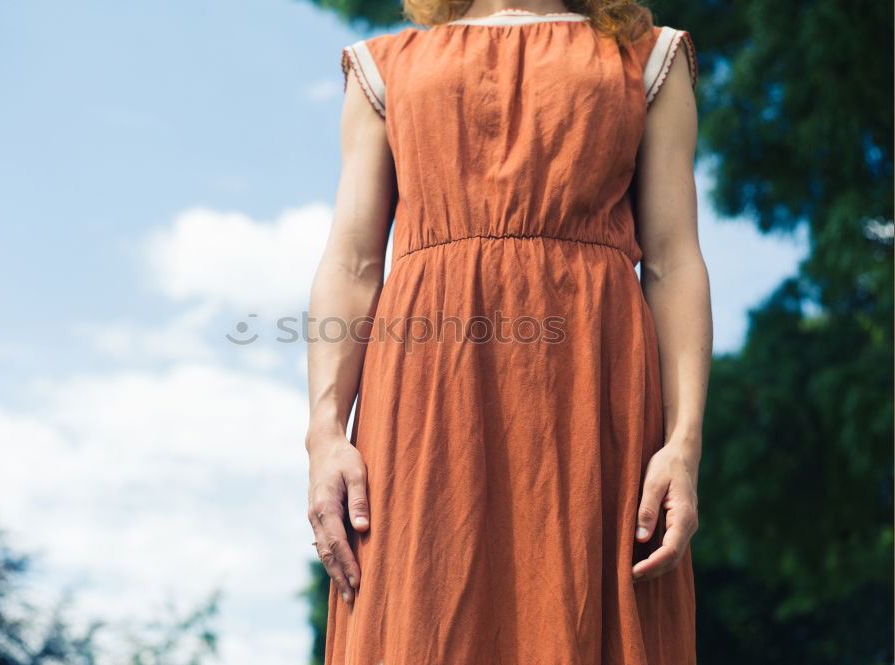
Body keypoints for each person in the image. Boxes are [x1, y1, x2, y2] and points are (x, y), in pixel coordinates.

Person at [305, 0, 712, 662]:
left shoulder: (648, 58)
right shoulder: (386, 68)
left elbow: (673, 261)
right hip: (424, 412)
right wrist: (324, 438)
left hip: (594, 399)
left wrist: (683, 444)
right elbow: (352, 264)